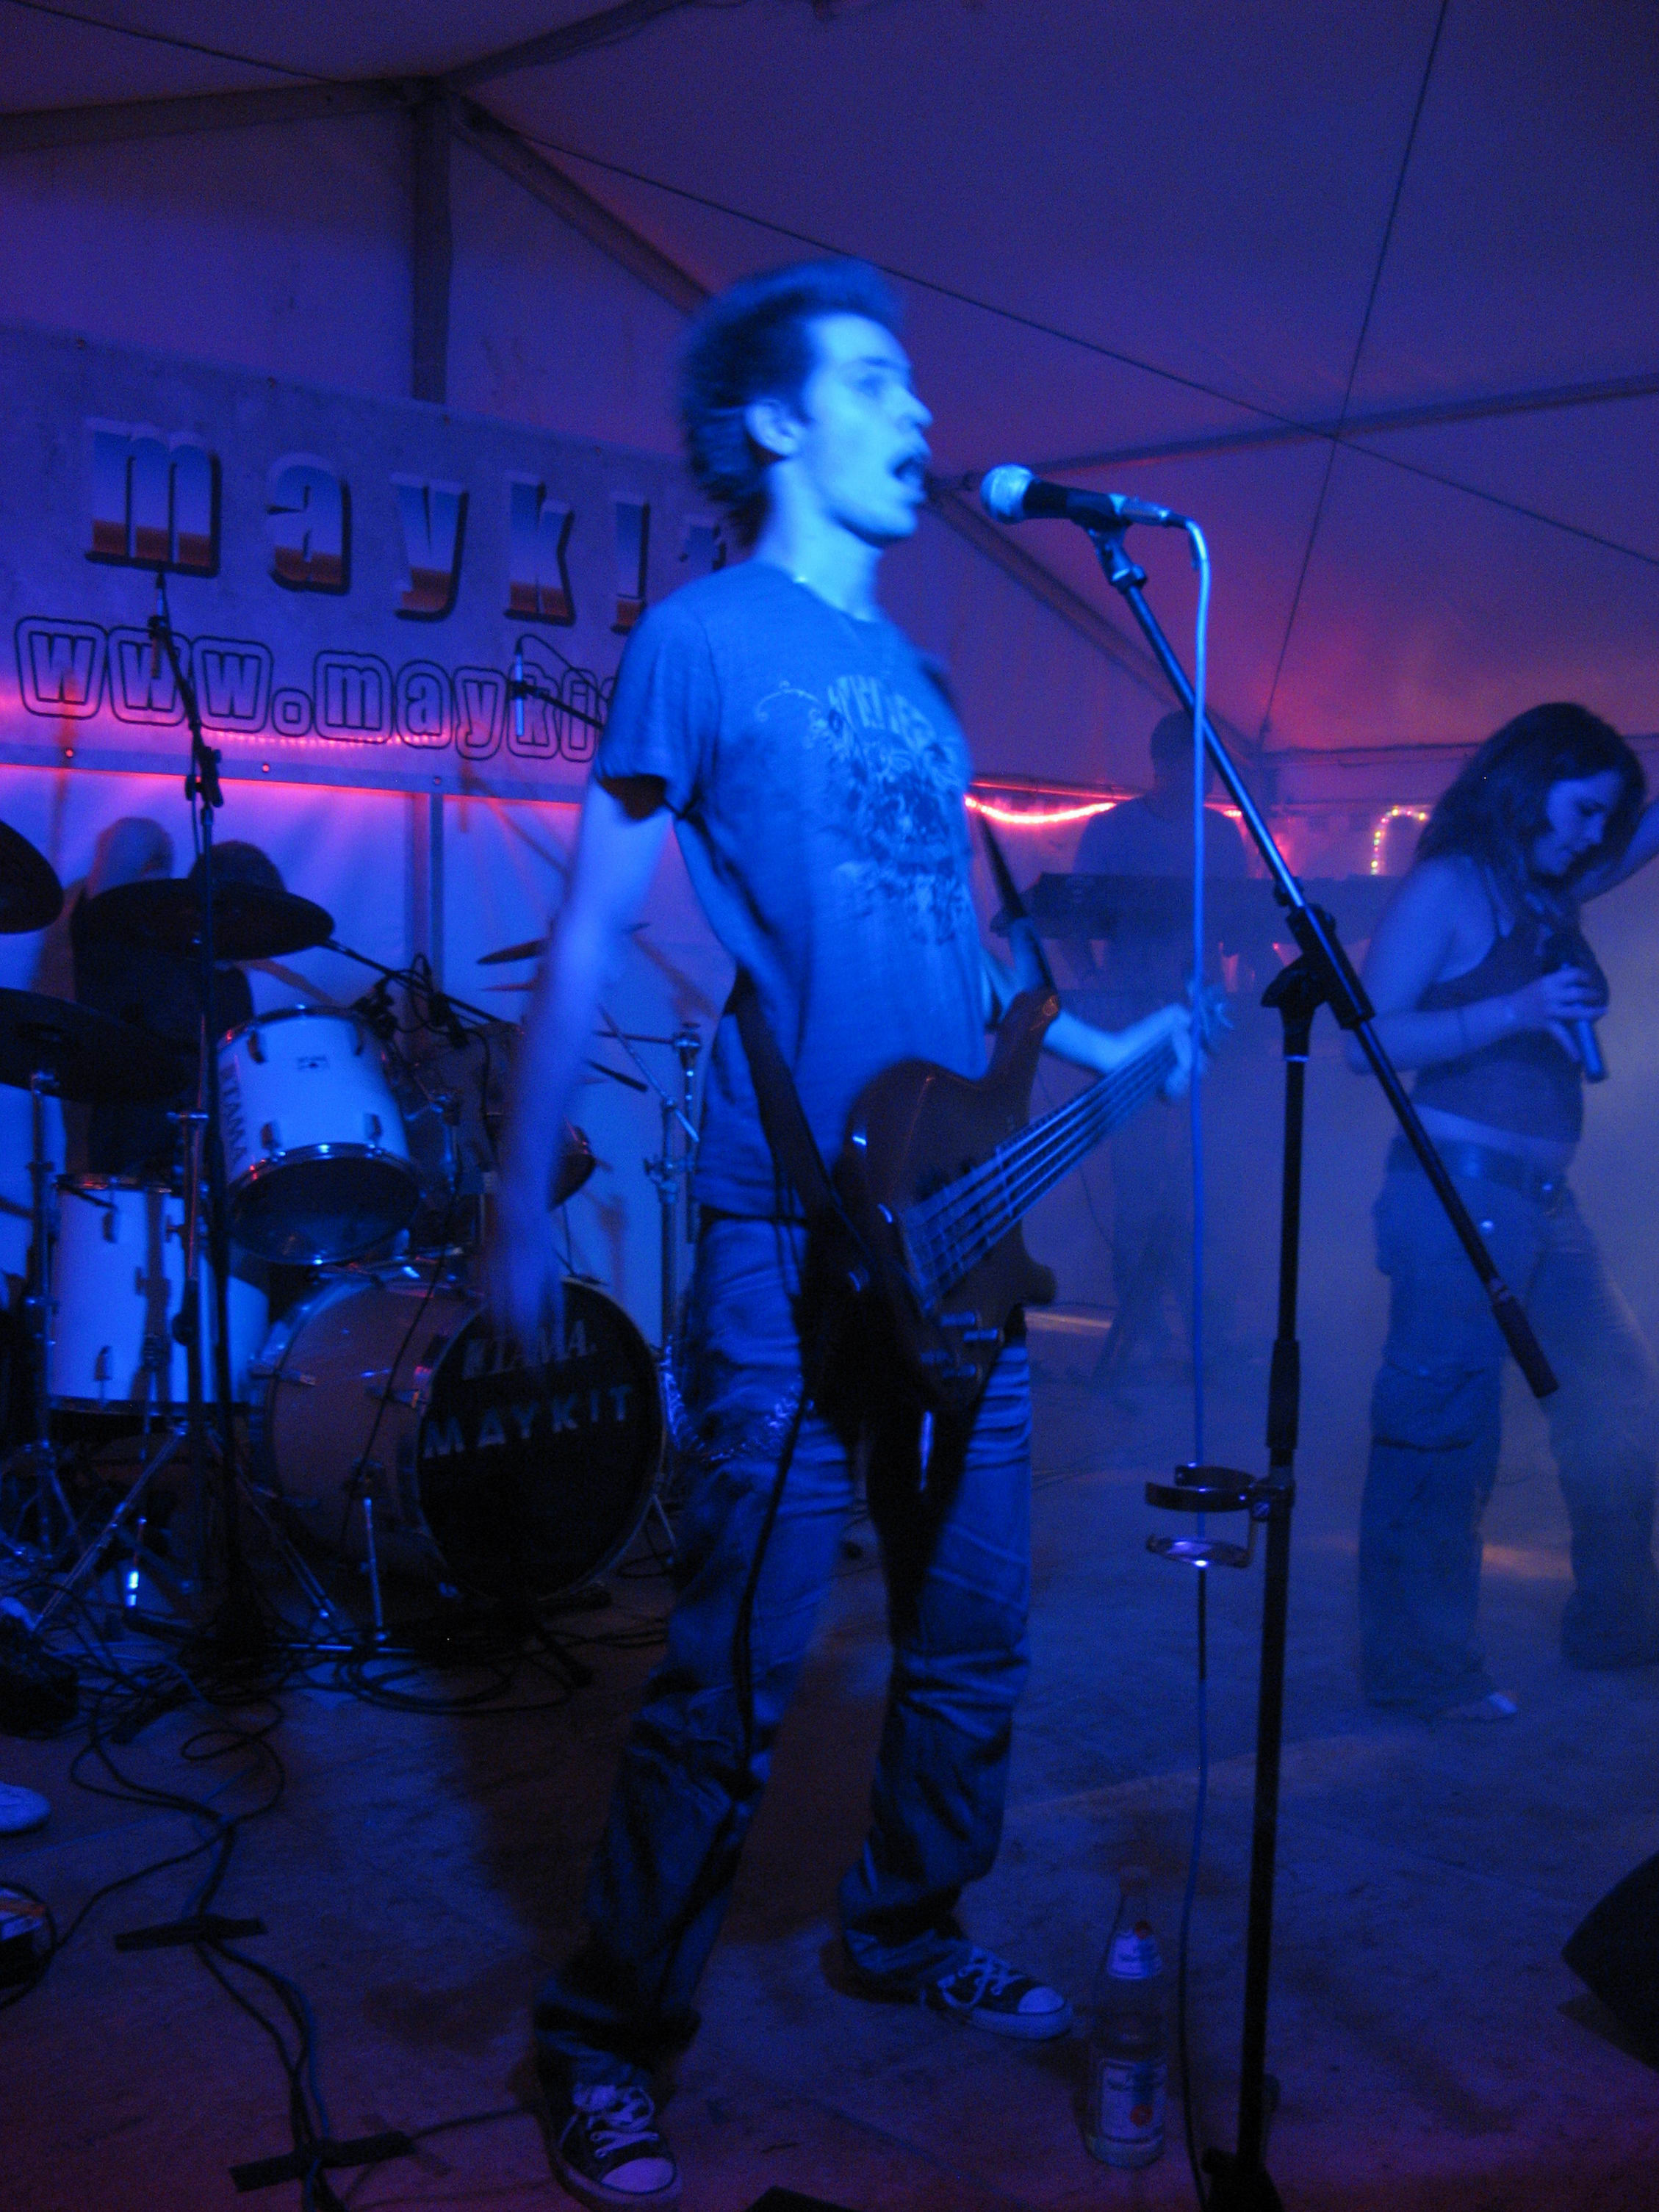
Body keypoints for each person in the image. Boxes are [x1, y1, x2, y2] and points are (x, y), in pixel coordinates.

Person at [489, 260, 1193, 2211]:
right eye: (875, 381)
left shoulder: (924, 684)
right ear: (778, 421)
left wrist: (1110, 1047)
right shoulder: (698, 638)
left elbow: (959, 961)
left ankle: (905, 1922)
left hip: (957, 1213)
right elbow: (585, 923)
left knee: (973, 1636)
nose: (919, 413)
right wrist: (514, 1196)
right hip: (788, 1221)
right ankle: (607, 2036)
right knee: (735, 1654)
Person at [1350, 702, 1659, 1722]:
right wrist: (1512, 1011)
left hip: (1542, 1205)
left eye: (1605, 817)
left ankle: (1618, 1623)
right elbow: (1364, 1039)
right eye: (1581, 811)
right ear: (1528, 786)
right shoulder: (1448, 885)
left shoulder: (1545, 887)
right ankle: (1421, 1670)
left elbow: (1639, 840)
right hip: (1453, 1191)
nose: (1592, 835)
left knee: (1614, 1396)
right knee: (1443, 1428)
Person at [1072, 711, 1255, 1380]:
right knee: (1140, 1181)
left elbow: (1241, 925)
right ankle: (1143, 1332)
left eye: (1208, 773)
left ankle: (1206, 1328)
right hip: (1133, 1030)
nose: (1202, 783)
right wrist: (1097, 990)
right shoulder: (1112, 831)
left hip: (1202, 1026)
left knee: (1206, 1181)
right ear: (1163, 764)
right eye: (1192, 769)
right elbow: (1071, 919)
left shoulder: (1222, 835)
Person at [71, 829, 278, 1181]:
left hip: (214, 1180)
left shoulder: (233, 985)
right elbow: (130, 838)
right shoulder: (130, 957)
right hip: (132, 1178)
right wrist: (163, 863)